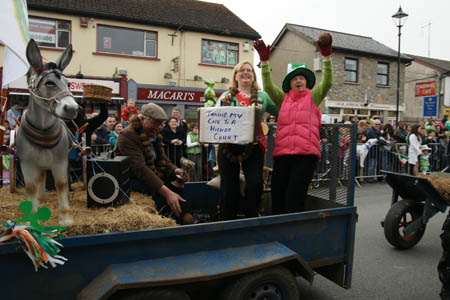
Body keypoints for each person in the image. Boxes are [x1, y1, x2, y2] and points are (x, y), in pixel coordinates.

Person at [254, 32, 333, 213]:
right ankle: (277, 231)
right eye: (294, 79)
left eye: (302, 78)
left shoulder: (314, 97)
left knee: (294, 197)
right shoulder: (283, 99)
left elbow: (327, 82)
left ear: (307, 82)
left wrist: (326, 56)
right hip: (283, 154)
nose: (298, 80)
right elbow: (267, 86)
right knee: (278, 194)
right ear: (289, 84)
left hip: (306, 155)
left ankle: (293, 235)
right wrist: (264, 63)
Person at [216, 60, 278, 220]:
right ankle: (226, 223)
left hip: (254, 146)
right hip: (228, 146)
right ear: (235, 76)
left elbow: (280, 111)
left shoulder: (263, 96)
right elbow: (214, 117)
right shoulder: (226, 95)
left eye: (249, 70)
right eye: (241, 70)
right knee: (229, 187)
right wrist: (223, 105)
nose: (245, 72)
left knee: (255, 184)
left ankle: (251, 220)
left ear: (253, 76)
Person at [114, 103, 192, 223]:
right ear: (143, 119)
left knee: (180, 194)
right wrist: (167, 193)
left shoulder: (154, 133)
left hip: (152, 178)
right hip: (134, 183)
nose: (156, 131)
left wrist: (176, 170)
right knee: (164, 202)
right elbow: (140, 169)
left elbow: (163, 160)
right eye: (153, 126)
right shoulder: (127, 135)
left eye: (158, 127)